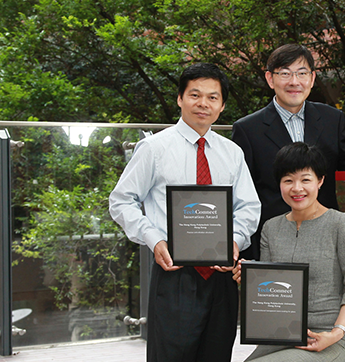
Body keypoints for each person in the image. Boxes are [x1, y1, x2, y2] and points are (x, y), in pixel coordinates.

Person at [109, 63, 261, 362]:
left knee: (216, 354)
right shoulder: (153, 148)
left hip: (221, 276)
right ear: (180, 98)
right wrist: (154, 240)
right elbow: (121, 200)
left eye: (212, 97)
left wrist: (235, 240)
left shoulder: (231, 152)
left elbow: (249, 207)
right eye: (195, 95)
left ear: (222, 105)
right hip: (174, 272)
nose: (203, 103)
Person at [231, 43, 345, 260]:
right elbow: (243, 193)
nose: (294, 82)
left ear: (312, 78)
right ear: (270, 79)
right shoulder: (247, 129)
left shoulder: (333, 119)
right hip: (273, 240)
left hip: (325, 237)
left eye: (302, 73)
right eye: (285, 74)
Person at [233, 142, 345, 361]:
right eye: (288, 180)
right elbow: (271, 290)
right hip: (282, 334)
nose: (297, 188)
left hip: (325, 335)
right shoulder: (271, 227)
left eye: (306, 179)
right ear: (279, 184)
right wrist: (249, 279)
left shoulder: (340, 224)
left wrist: (337, 332)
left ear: (320, 181)